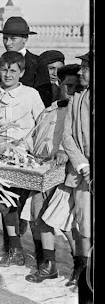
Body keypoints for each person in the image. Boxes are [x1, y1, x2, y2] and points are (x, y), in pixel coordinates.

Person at [23, 64, 82, 283]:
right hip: (43, 172)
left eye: (76, 86)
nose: (71, 90)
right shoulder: (50, 110)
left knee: (67, 223)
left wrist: (65, 154)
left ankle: (80, 268)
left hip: (69, 175)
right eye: (67, 85)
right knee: (40, 217)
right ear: (59, 84)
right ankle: (48, 265)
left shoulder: (81, 112)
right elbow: (38, 136)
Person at [0, 51, 45, 267]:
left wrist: (28, 145)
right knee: (5, 202)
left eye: (13, 70)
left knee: (30, 204)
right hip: (1, 157)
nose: (8, 74)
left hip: (27, 156)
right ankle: (15, 248)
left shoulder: (30, 94)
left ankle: (41, 252)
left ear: (21, 72)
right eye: (4, 69)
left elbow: (42, 123)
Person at [62, 52, 92, 289]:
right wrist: (83, 165)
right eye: (81, 67)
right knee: (85, 224)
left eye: (86, 68)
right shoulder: (78, 99)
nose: (81, 72)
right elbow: (68, 136)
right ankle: (82, 270)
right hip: (84, 174)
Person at [0, 16, 53, 107]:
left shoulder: (38, 62)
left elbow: (45, 97)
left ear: (25, 39)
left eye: (13, 39)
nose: (7, 43)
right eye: (5, 38)